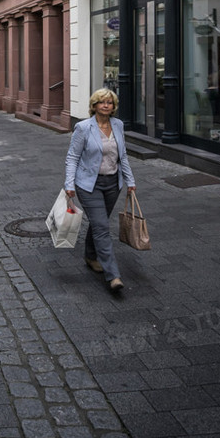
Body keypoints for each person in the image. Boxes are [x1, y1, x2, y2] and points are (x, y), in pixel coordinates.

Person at [64, 88, 136, 294]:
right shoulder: (83, 128)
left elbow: (123, 156)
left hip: (113, 183)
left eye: (110, 102)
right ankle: (113, 275)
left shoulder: (118, 125)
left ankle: (90, 255)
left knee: (98, 222)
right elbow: (72, 158)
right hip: (89, 185)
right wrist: (69, 185)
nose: (106, 105)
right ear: (94, 105)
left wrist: (130, 181)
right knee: (102, 226)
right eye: (102, 102)